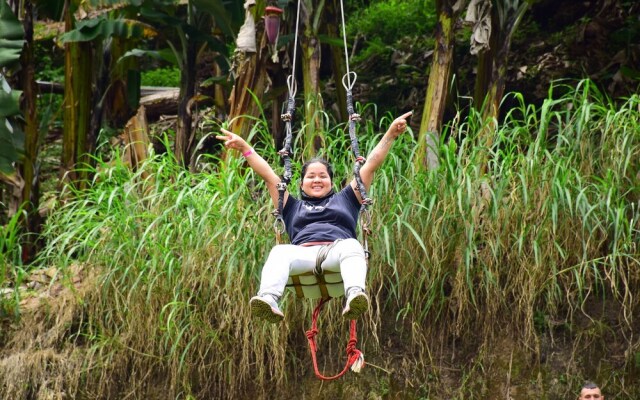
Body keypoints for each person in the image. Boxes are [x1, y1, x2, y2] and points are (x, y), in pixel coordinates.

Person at [216, 111, 412, 323]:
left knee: (352, 246)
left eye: (323, 176)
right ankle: (268, 299)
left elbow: (371, 164)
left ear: (331, 181)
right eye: (311, 176)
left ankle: (355, 294)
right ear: (301, 184)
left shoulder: (346, 198)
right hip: (303, 255)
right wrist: (245, 148)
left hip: (336, 251)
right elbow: (269, 176)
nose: (317, 180)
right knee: (280, 251)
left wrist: (390, 135)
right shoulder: (291, 206)